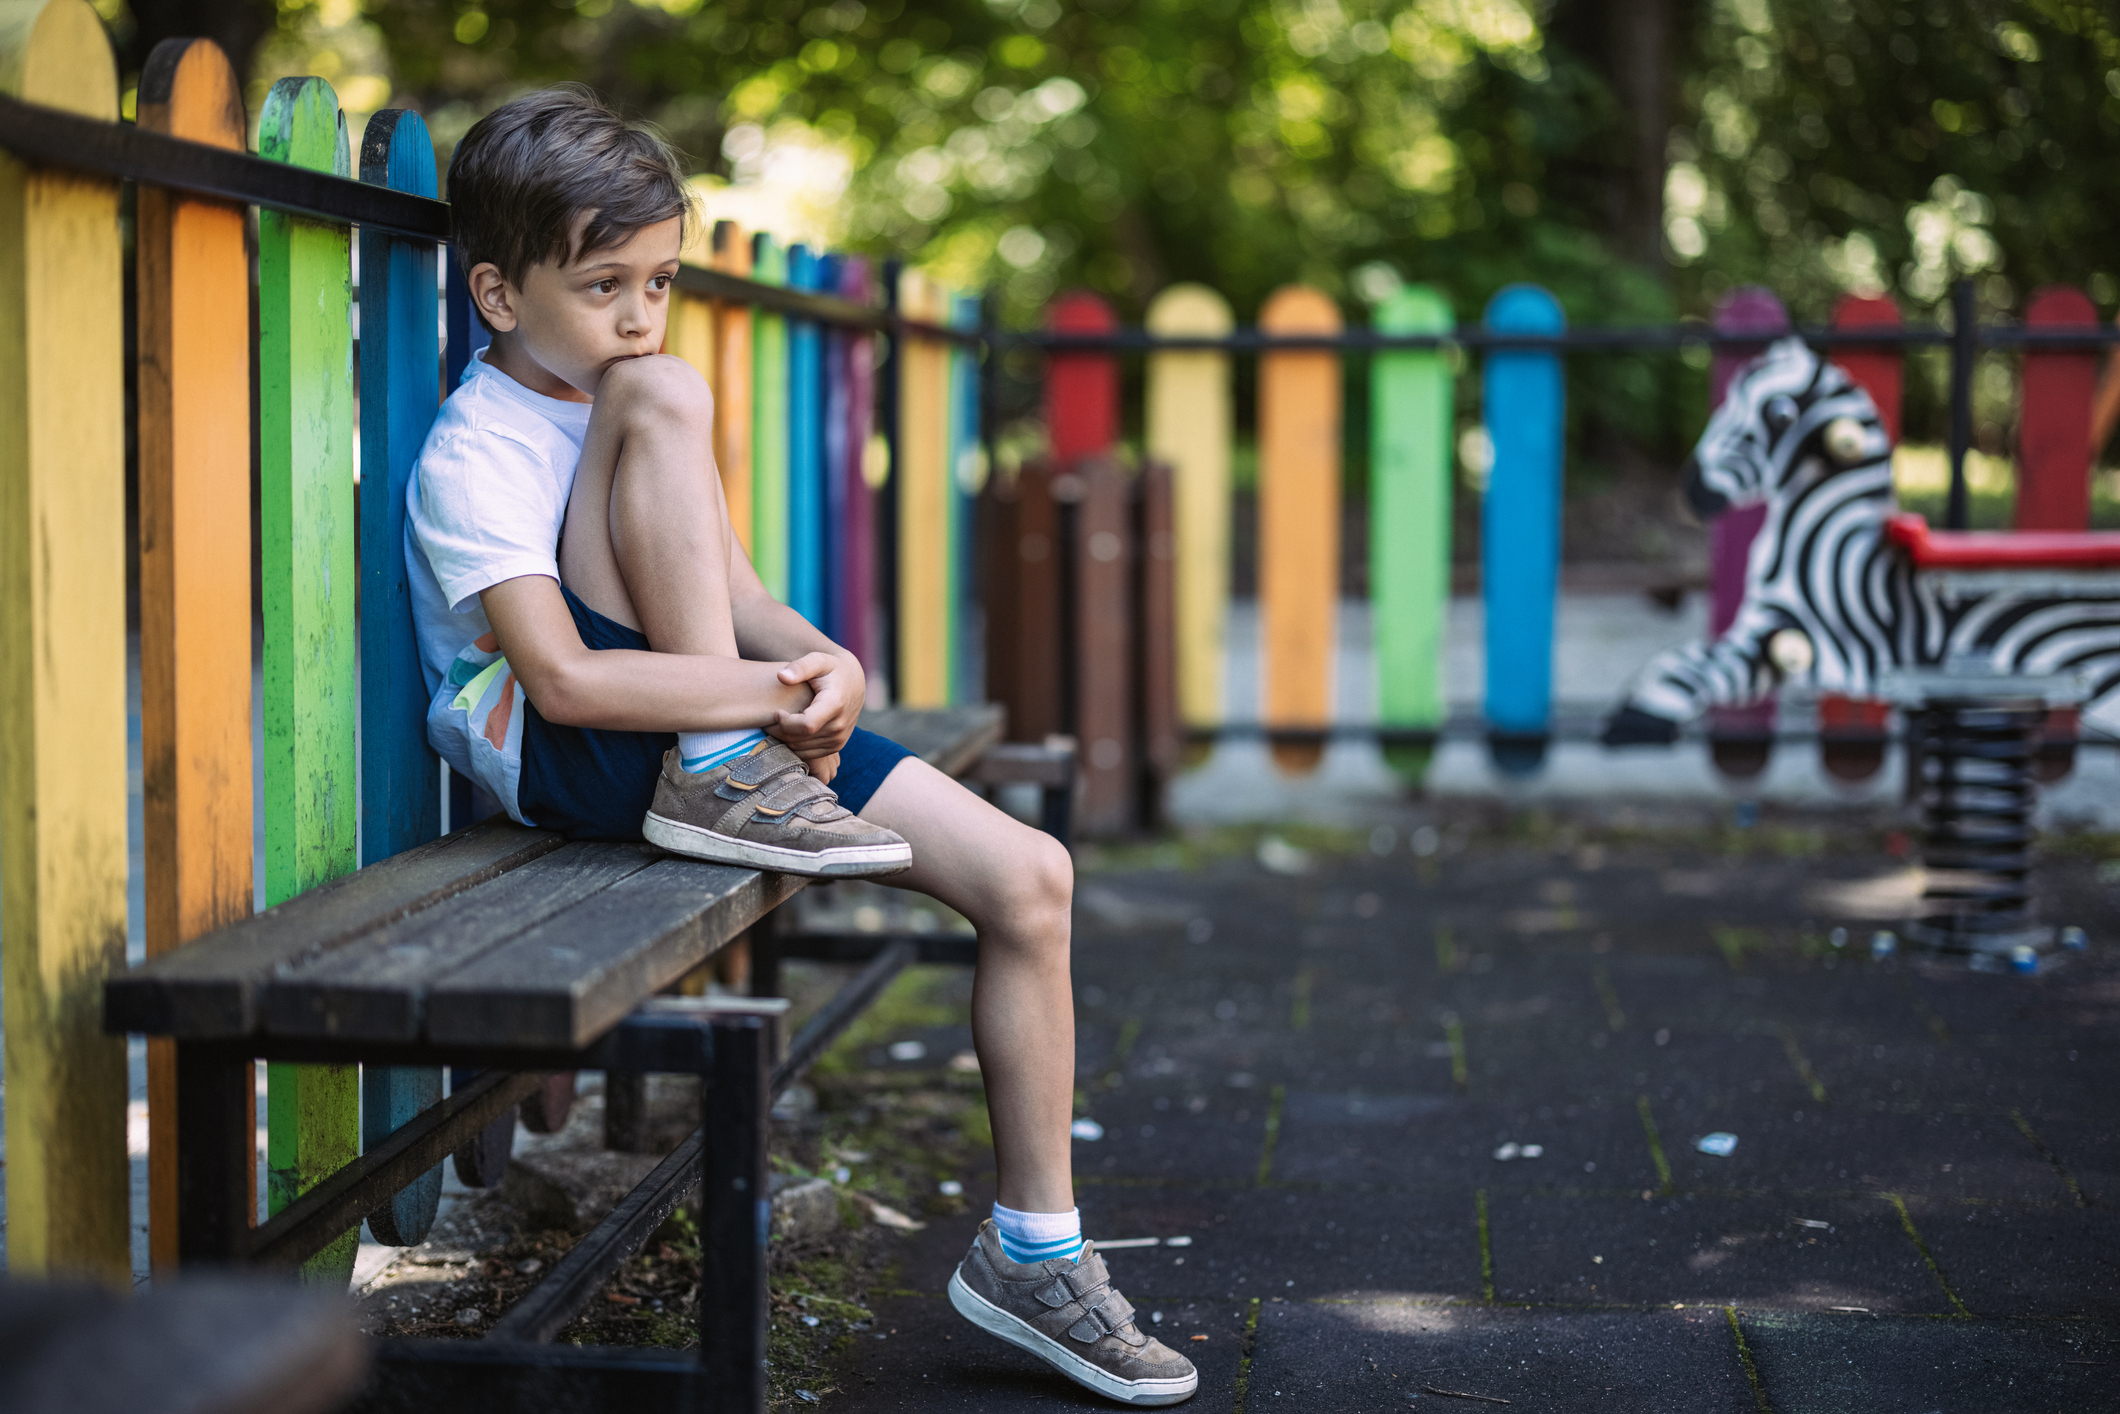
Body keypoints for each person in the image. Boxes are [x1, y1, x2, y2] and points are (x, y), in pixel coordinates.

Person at [405, 86, 1196, 1407]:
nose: (641, 318)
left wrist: (820, 658)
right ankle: (724, 770)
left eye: (659, 281)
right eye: (605, 286)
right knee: (663, 400)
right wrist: (750, 701)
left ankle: (1033, 1255)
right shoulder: (480, 447)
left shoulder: (622, 401)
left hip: (719, 737)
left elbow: (735, 592)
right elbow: (566, 677)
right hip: (588, 755)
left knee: (1031, 875)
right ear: (498, 295)